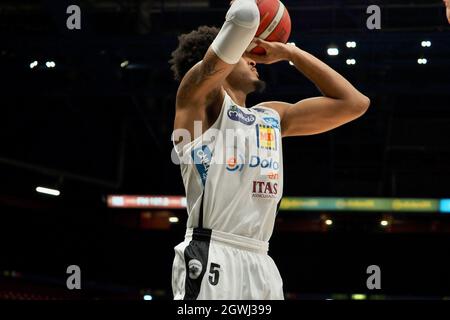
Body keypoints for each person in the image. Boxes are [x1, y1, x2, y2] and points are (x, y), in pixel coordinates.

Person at [169, 0, 370, 300]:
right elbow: (244, 15)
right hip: (212, 252)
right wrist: (246, 23)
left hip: (261, 261)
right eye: (243, 52)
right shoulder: (197, 100)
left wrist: (291, 52)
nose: (252, 57)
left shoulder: (271, 117)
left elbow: (354, 104)